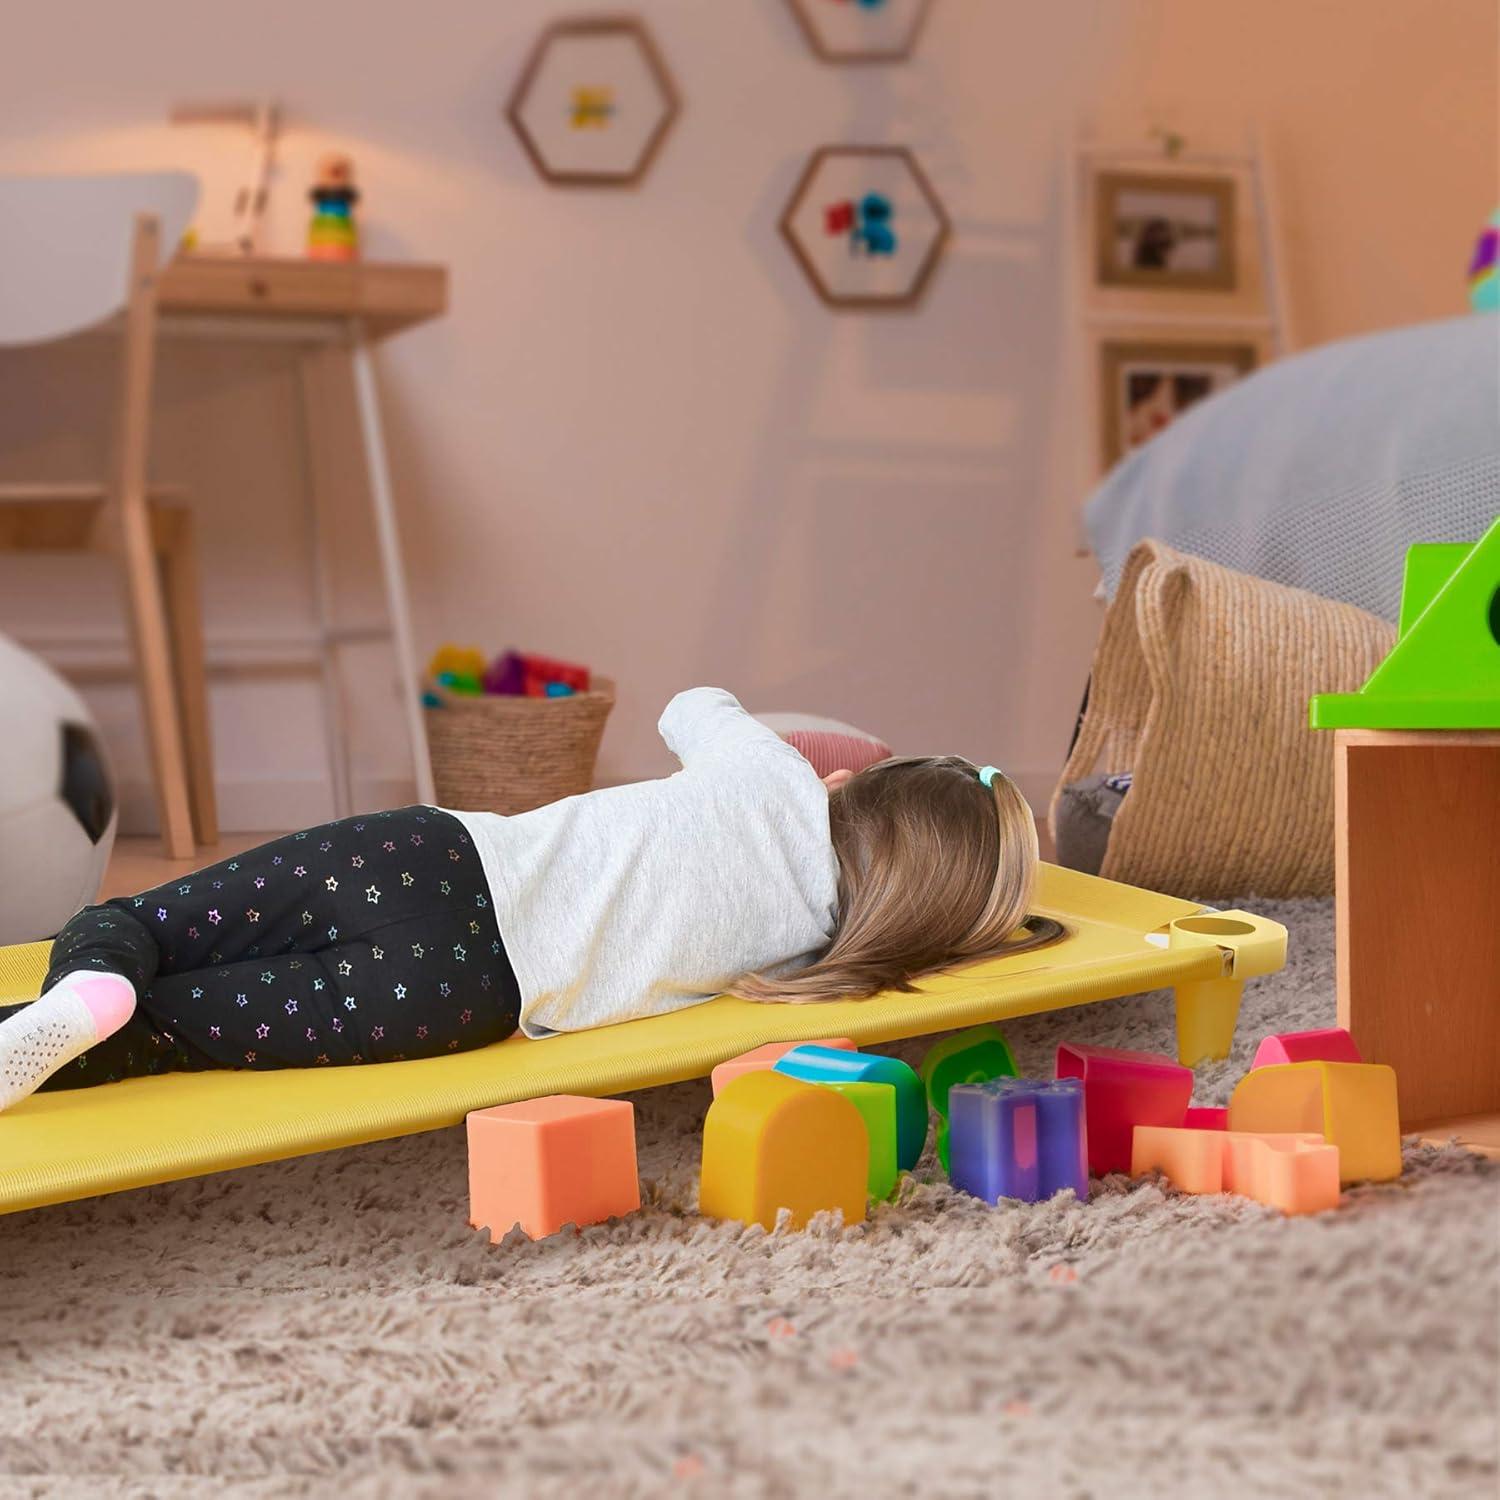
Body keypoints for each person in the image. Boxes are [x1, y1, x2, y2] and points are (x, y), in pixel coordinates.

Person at [0, 688, 1041, 1111]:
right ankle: (89, 1029)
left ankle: (89, 983)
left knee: (135, 923)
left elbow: (693, 706)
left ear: (852, 787)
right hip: (460, 994)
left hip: (430, 862)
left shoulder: (772, 774)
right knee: (164, 1038)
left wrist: (805, 753)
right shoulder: (822, 954)